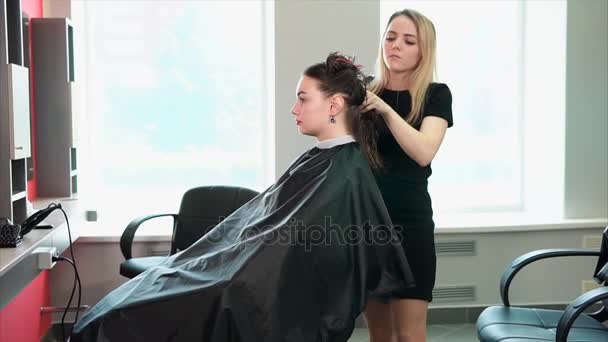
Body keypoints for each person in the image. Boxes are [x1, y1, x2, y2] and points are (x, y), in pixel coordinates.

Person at [70, 52, 414, 342]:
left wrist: (230, 270)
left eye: (303, 98)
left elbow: (294, 251)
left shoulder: (344, 172)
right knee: (139, 296)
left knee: (131, 314)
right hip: (234, 273)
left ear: (335, 104)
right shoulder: (323, 159)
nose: (294, 109)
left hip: (242, 286)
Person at [360, 9, 454, 342]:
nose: (396, 45)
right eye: (390, 37)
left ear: (423, 50)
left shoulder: (435, 95)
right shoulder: (364, 96)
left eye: (408, 40)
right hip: (369, 225)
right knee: (380, 335)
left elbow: (424, 151)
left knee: (410, 336)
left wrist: (384, 109)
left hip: (410, 225)